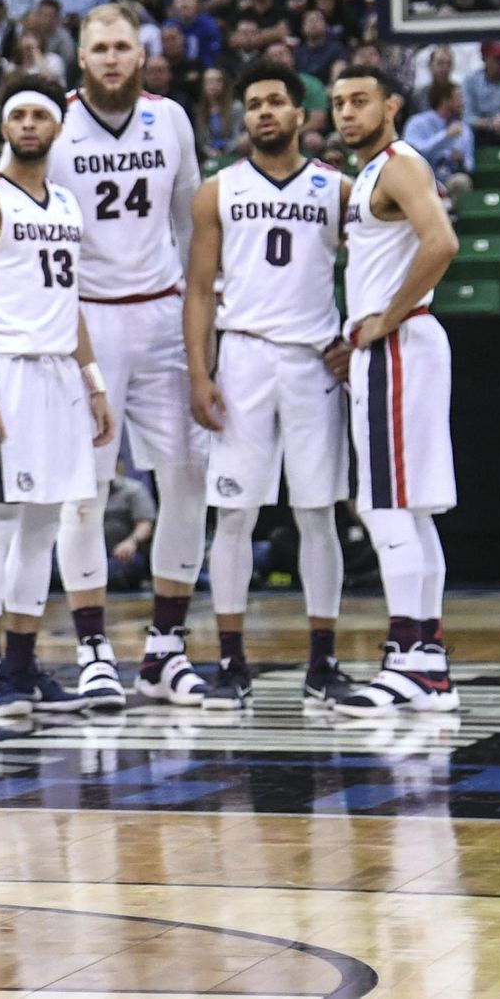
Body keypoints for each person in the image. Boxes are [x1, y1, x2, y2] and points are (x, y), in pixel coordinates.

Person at [0, 3, 208, 709]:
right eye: (98, 47)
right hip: (79, 320)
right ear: (81, 57)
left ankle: (165, 648)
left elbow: (191, 228)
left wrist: (201, 332)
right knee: (78, 496)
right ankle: (95, 648)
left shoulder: (173, 120)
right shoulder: (52, 123)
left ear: (141, 53)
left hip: (161, 313)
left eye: (122, 46)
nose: (109, 58)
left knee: (187, 480)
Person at [0, 78, 116, 721]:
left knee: (43, 525)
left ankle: (21, 664)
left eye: (43, 114)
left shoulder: (66, 204)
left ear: (58, 127)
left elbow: (69, 307)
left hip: (57, 377)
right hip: (3, 371)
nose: (32, 124)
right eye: (20, 115)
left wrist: (93, 382)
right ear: (3, 127)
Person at [183, 59, 354, 709]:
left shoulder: (338, 189)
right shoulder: (216, 190)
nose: (263, 112)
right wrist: (200, 371)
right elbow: (199, 289)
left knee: (318, 514)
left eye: (275, 101)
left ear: (300, 113)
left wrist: (355, 337)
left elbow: (374, 267)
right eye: (253, 103)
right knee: (233, 515)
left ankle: (324, 663)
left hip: (313, 362)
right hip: (245, 357)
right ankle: (230, 663)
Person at [323, 65, 462, 716]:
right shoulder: (375, 173)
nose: (348, 113)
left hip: (400, 345)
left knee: (382, 505)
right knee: (407, 508)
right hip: (401, 347)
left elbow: (442, 243)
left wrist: (384, 318)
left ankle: (408, 657)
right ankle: (426, 659)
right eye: (339, 103)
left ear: (392, 105)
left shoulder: (400, 164)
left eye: (360, 101)